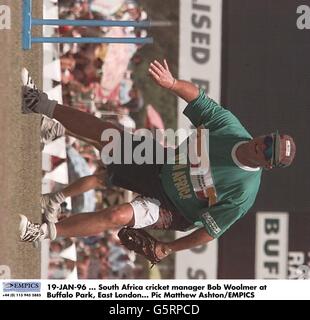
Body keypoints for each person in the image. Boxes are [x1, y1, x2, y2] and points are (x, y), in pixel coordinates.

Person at [19, 60, 296, 262]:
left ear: (268, 165)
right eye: (270, 139)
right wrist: (172, 84)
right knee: (109, 134)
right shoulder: (231, 129)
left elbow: (210, 233)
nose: (264, 144)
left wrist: (169, 248)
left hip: (174, 208)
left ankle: (40, 232)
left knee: (116, 215)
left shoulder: (243, 192)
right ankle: (38, 104)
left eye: (269, 151)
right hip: (161, 164)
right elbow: (200, 100)